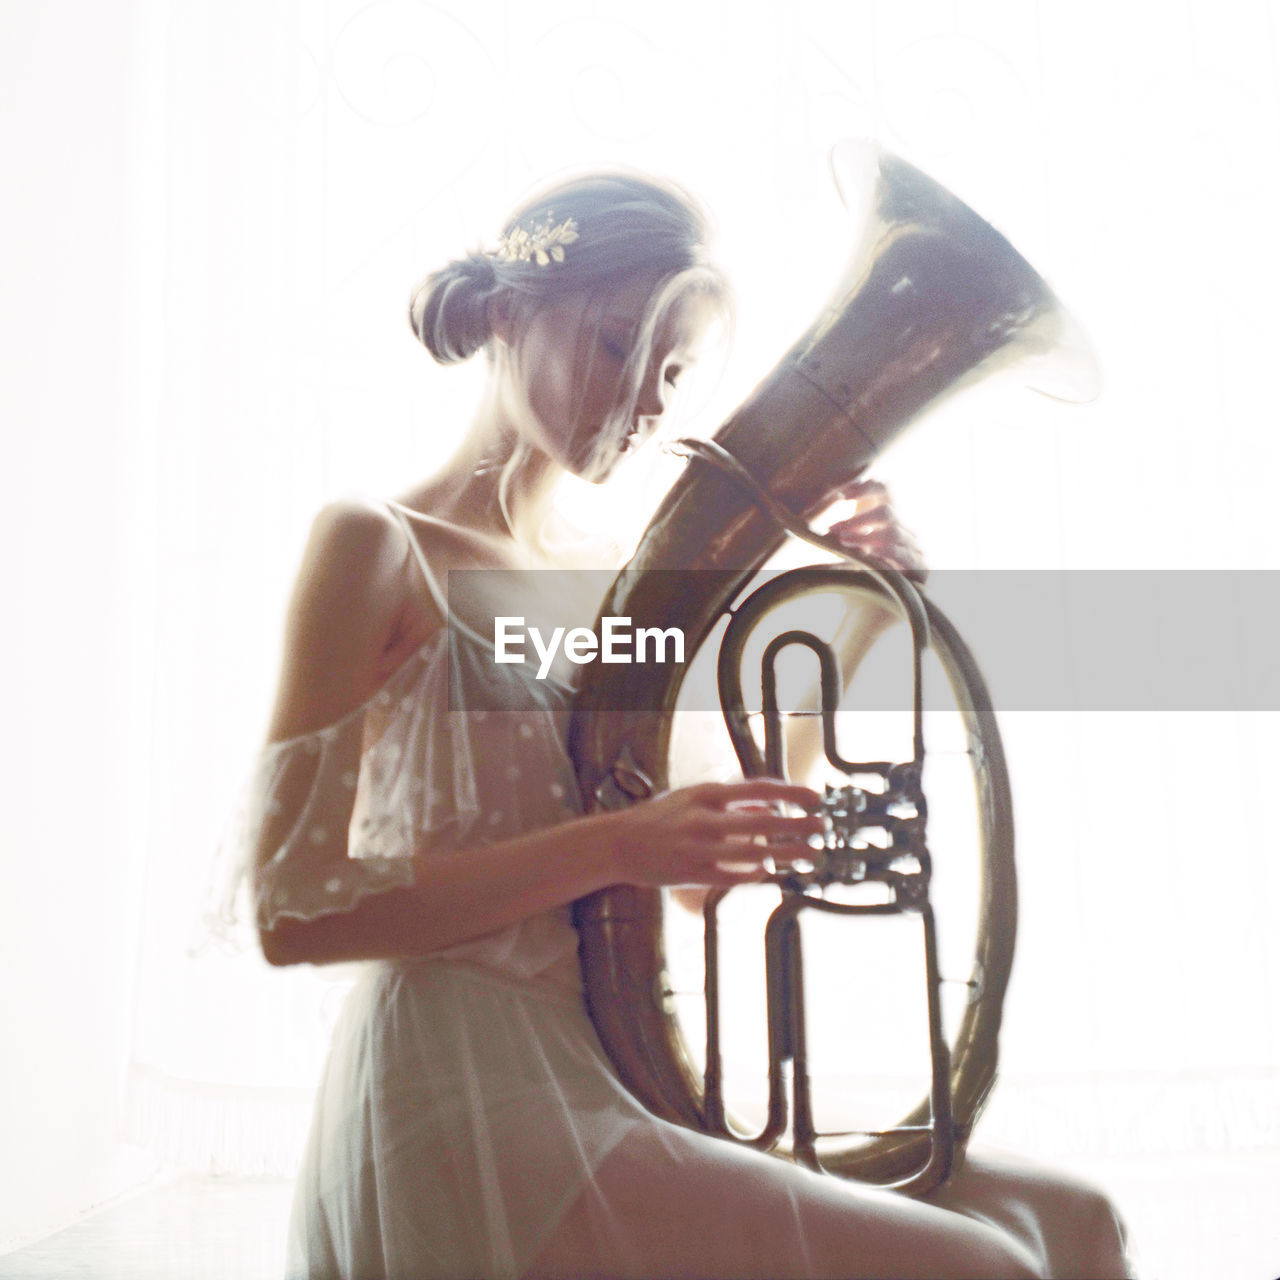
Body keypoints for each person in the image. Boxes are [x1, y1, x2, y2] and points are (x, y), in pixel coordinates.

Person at [244, 170, 1130, 1280]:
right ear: (512, 313)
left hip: (615, 1069)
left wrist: (848, 603)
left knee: (1080, 1219)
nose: (648, 400)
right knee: (980, 1268)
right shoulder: (373, 544)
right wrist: (613, 845)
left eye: (671, 370)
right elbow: (292, 910)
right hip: (462, 1092)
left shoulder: (602, 584)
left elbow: (708, 864)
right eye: (619, 344)